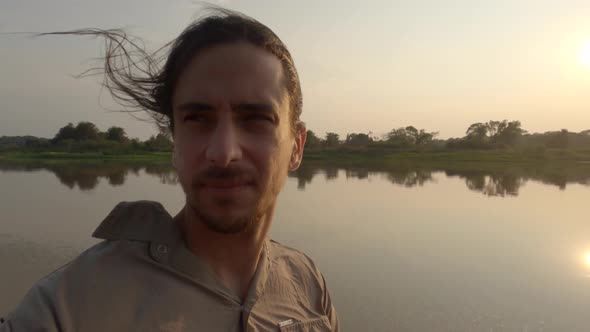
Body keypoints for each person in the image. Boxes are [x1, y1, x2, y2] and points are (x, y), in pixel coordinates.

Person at [0, 8, 339, 332]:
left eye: (255, 120)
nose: (223, 153)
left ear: (297, 146)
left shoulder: (307, 283)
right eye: (197, 120)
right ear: (174, 142)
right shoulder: (66, 307)